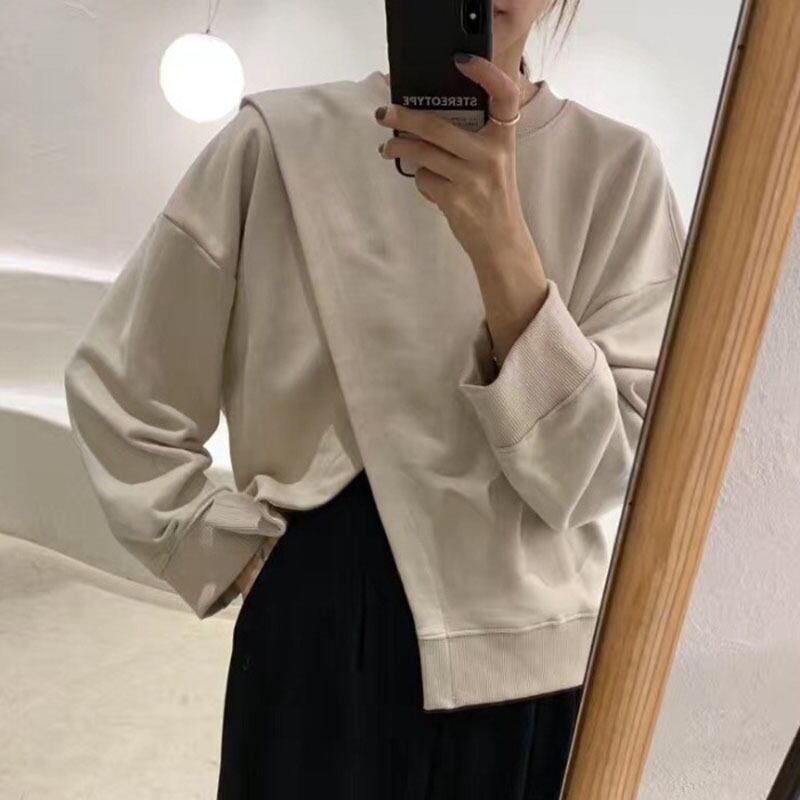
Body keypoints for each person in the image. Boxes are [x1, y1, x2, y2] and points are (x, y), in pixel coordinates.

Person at [63, 0, 685, 797]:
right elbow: (123, 390)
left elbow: (596, 478)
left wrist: (502, 243)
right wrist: (235, 557)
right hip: (317, 634)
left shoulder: (618, 173)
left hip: (536, 662)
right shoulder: (281, 142)